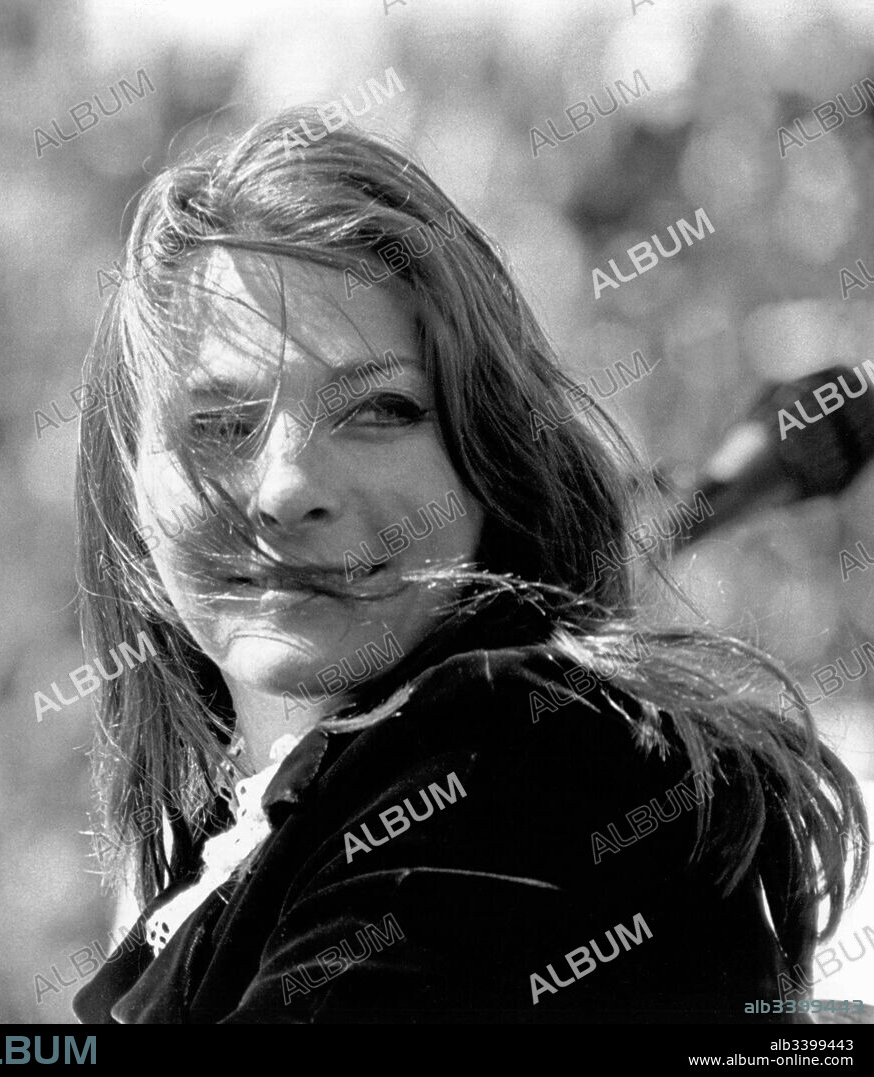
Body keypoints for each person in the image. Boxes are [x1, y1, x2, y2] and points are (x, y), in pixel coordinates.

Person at [72, 108, 867, 1024]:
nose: (286, 488)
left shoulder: (534, 771)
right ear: (131, 489)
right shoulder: (232, 847)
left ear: (489, 460)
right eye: (216, 424)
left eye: (380, 409)